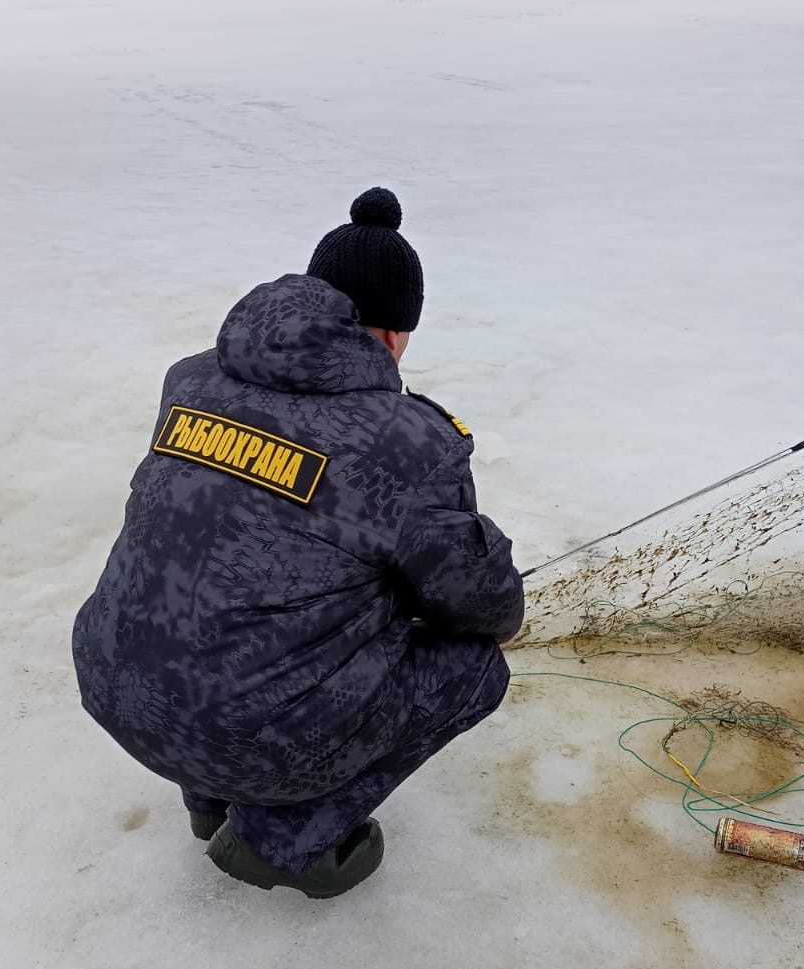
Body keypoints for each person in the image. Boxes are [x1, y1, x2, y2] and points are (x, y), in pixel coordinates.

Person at [72, 188, 524, 899]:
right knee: (474, 668)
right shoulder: (406, 443)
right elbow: (477, 603)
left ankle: (206, 803)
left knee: (225, 590)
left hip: (111, 684)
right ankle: (282, 837)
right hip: (245, 737)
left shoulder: (190, 379)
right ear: (393, 333)